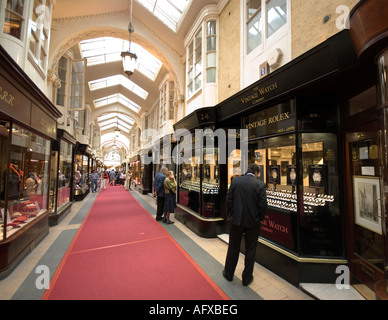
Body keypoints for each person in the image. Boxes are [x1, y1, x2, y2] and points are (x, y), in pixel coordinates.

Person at [223, 163, 267, 287]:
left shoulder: (236, 181)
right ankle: (247, 278)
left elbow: (228, 200)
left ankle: (228, 274)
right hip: (252, 222)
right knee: (250, 250)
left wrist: (231, 215)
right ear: (257, 173)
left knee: (233, 248)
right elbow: (263, 205)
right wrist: (259, 218)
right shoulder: (260, 185)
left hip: (236, 221)